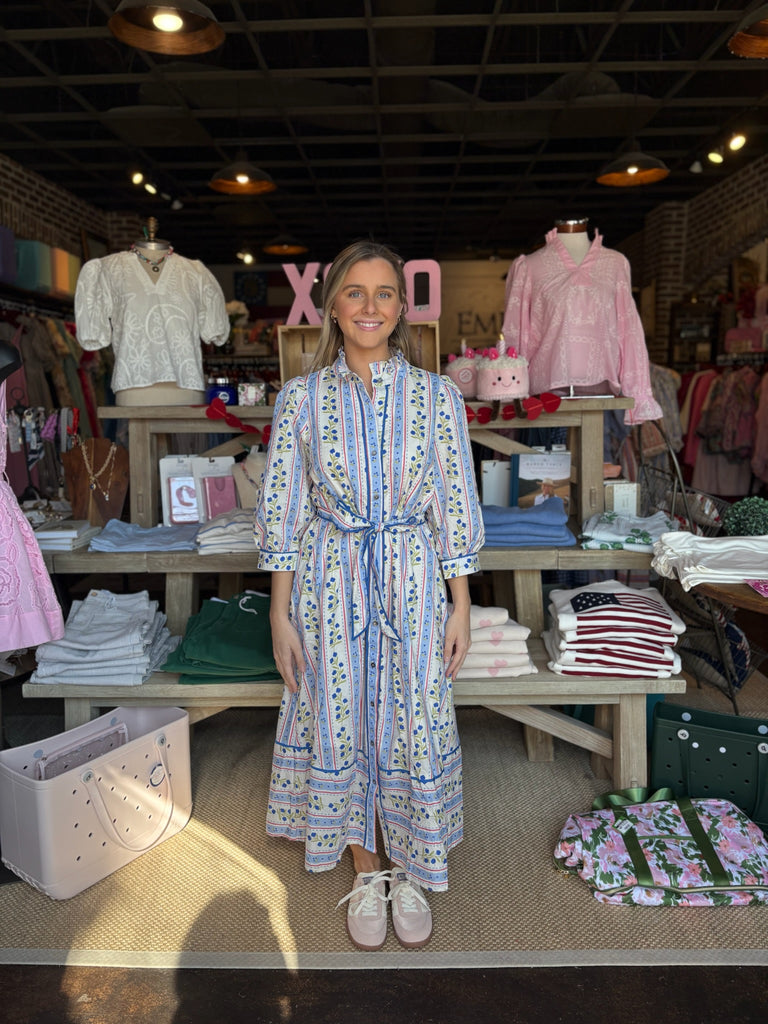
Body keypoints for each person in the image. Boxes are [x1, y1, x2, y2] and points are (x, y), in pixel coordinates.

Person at [254, 240, 484, 951]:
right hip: (330, 579)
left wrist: (461, 604)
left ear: (401, 308)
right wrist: (279, 613)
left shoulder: (438, 397)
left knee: (412, 715)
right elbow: (284, 511)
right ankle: (365, 869)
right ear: (332, 306)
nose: (370, 307)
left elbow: (454, 503)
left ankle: (409, 868)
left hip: (413, 577)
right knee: (341, 715)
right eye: (355, 292)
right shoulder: (301, 399)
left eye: (385, 293)